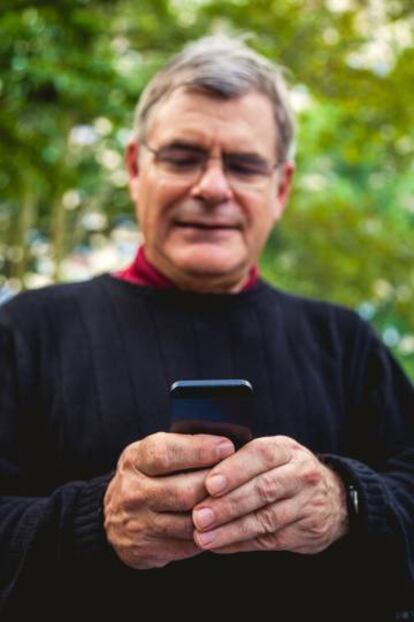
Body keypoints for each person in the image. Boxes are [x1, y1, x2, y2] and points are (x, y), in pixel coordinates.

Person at [0, 36, 413, 621]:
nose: (212, 188)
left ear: (281, 186)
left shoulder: (345, 342)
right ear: (136, 167)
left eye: (243, 165)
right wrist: (96, 524)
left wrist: (345, 502)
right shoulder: (25, 331)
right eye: (183, 157)